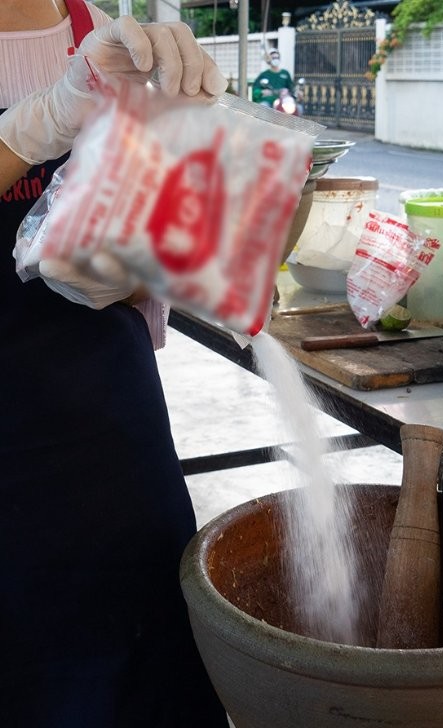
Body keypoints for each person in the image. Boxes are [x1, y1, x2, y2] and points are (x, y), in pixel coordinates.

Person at [0, 2, 230, 726]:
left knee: (139, 679)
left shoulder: (110, 40)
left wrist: (132, 252)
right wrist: (41, 121)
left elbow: (144, 273)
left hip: (105, 444)